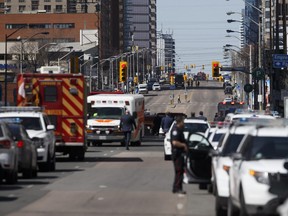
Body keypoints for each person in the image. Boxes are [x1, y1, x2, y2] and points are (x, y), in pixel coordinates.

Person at [171, 115, 188, 194]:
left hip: (179, 153)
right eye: (183, 122)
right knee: (179, 171)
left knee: (180, 171)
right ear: (180, 122)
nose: (183, 123)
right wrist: (183, 145)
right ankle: (177, 188)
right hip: (177, 153)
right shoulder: (176, 130)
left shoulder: (179, 130)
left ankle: (176, 187)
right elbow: (174, 142)